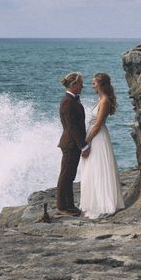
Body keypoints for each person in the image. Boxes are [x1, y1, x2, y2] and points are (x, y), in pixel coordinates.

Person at [79, 73, 125, 219]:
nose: (92, 85)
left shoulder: (104, 100)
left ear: (100, 84)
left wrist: (87, 141)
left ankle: (103, 203)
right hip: (94, 134)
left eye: (94, 83)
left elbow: (98, 124)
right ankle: (94, 201)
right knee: (92, 168)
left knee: (99, 168)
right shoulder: (100, 99)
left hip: (98, 137)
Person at [57, 72, 90, 216]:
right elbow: (72, 127)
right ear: (74, 84)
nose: (82, 86)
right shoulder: (67, 102)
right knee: (66, 175)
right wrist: (83, 145)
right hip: (70, 144)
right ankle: (63, 206)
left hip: (72, 143)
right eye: (80, 83)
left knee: (69, 175)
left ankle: (69, 205)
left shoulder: (73, 100)